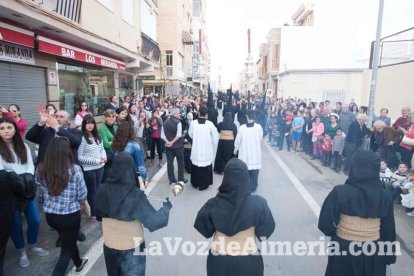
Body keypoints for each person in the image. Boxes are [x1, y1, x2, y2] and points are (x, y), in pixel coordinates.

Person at [318, 150, 396, 276]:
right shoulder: (386, 196)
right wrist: (389, 256)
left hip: (343, 248)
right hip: (374, 250)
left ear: (354, 167)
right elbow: (389, 230)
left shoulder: (340, 192)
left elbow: (325, 225)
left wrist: (342, 233)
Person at [194, 158, 275, 276]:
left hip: (218, 262)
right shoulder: (259, 204)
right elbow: (265, 232)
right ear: (246, 178)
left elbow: (204, 230)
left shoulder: (212, 204)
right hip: (248, 262)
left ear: (225, 179)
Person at [95, 152, 172, 276]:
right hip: (133, 248)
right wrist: (166, 209)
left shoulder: (101, 190)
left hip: (110, 246)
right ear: (131, 169)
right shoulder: (136, 195)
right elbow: (154, 222)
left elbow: (98, 216)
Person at [0, 118, 49, 269]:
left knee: (35, 219)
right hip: (10, 192)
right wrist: (18, 180)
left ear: (15, 129)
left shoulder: (24, 146)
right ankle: (22, 252)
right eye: (2, 128)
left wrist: (26, 180)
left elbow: (30, 167)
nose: (6, 130)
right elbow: (2, 172)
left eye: (9, 127)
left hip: (27, 189)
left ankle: (32, 246)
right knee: (15, 224)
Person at [36, 137, 89, 275]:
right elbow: (82, 194)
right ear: (67, 152)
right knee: (65, 251)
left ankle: (78, 262)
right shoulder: (75, 169)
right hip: (69, 216)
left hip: (51, 216)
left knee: (68, 240)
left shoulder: (41, 168)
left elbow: (40, 186)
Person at [78, 115, 106, 222]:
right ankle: (93, 213)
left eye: (92, 123)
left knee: (98, 190)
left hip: (100, 167)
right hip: (89, 169)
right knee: (92, 191)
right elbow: (80, 158)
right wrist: (96, 161)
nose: (90, 125)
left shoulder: (98, 136)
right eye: (87, 123)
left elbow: (102, 149)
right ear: (84, 125)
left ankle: (97, 211)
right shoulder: (82, 138)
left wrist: (104, 157)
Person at [189, 106, 219, 190]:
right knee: (205, 167)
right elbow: (215, 138)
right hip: (207, 149)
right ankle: (204, 184)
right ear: (206, 115)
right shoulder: (210, 124)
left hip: (196, 149)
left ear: (198, 113)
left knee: (196, 166)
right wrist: (213, 142)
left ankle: (195, 183)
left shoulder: (193, 123)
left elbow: (190, 134)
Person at [111, 122, 148, 187]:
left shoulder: (115, 144)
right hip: (131, 177)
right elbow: (140, 165)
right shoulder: (134, 145)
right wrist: (145, 178)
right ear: (131, 132)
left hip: (117, 176)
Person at [234, 110, 263, 192]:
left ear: (246, 116)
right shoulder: (259, 127)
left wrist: (235, 149)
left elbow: (238, 141)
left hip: (245, 152)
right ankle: (253, 186)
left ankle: (244, 186)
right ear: (254, 116)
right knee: (254, 171)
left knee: (245, 170)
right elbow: (260, 138)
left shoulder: (242, 128)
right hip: (255, 152)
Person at [161, 108, 186, 185]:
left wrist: (168, 142)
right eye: (178, 113)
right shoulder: (178, 122)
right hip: (178, 146)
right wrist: (172, 142)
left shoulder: (165, 122)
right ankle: (180, 179)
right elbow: (179, 135)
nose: (179, 114)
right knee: (180, 163)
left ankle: (172, 180)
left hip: (169, 147)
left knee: (170, 163)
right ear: (174, 114)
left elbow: (162, 135)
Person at [99, 109, 118, 182]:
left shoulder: (115, 127)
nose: (111, 118)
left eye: (113, 116)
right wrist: (115, 141)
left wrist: (111, 141)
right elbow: (106, 144)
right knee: (106, 179)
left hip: (115, 156)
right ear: (106, 118)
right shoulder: (102, 128)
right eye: (109, 116)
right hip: (107, 157)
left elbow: (120, 141)